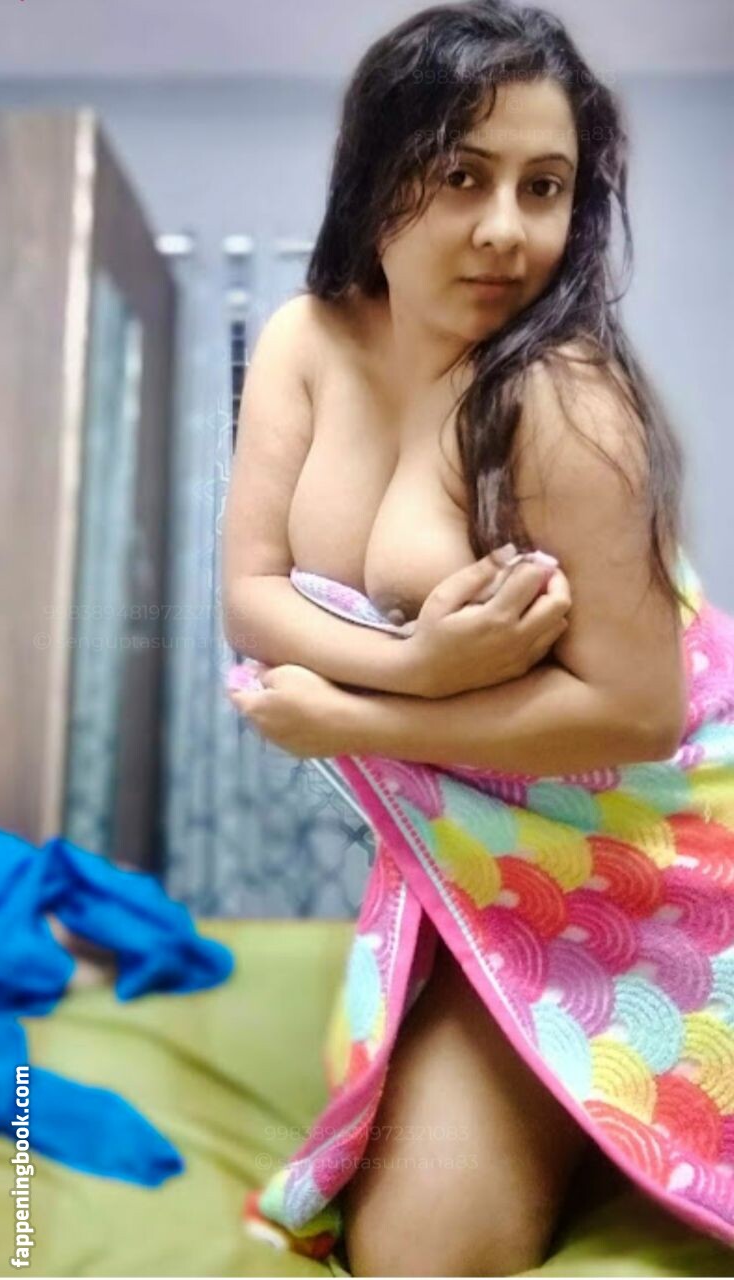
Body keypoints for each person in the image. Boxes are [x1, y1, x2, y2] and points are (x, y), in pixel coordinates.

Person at [223, 2, 732, 1274]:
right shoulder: (306, 340)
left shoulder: (563, 401)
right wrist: (417, 663)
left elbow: (638, 712)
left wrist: (355, 715)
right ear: (378, 171)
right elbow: (252, 592)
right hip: (491, 851)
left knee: (424, 1248)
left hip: (661, 848)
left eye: (542, 187)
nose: (506, 228)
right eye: (461, 174)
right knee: (404, 1244)